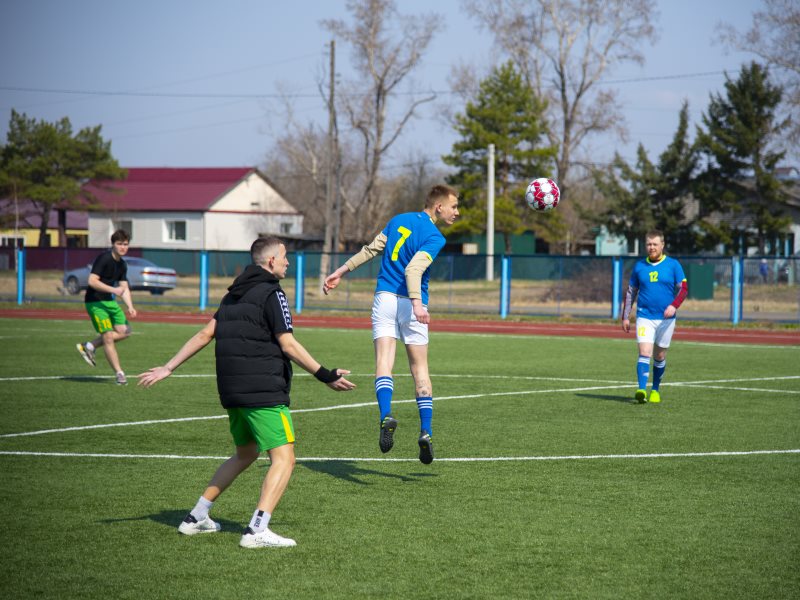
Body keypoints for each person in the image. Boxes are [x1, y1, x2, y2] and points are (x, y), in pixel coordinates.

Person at [138, 237, 355, 548]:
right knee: (285, 459)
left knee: (246, 453)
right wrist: (325, 375)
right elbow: (288, 344)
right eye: (284, 257)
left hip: (232, 390)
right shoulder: (273, 293)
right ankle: (256, 530)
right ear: (270, 262)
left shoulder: (233, 294)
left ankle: (197, 517)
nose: (288, 262)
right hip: (263, 389)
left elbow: (205, 333)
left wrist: (168, 367)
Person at [323, 184, 460, 464]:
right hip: (411, 304)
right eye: (454, 206)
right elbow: (413, 269)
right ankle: (426, 431)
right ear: (438, 207)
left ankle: (386, 415)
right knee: (419, 369)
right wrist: (418, 304)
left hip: (384, 298)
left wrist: (340, 271)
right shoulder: (435, 236)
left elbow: (370, 250)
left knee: (384, 363)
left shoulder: (398, 220)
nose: (457, 212)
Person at [621, 230, 688, 404]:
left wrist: (674, 306)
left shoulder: (673, 265)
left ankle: (655, 390)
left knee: (659, 356)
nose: (651, 247)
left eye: (655, 244)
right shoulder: (639, 266)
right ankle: (642, 390)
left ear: (662, 245)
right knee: (644, 352)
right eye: (649, 244)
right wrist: (626, 316)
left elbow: (683, 289)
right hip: (644, 316)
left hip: (666, 320)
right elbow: (631, 292)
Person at [76, 229, 137, 385]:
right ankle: (120, 374)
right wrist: (113, 290)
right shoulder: (104, 259)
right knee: (108, 337)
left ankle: (89, 346)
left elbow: (124, 288)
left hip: (110, 302)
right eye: (119, 244)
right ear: (113, 244)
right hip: (95, 302)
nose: (123, 247)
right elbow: (92, 281)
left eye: (125, 244)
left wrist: (130, 305)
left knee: (125, 332)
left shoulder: (122, 265)